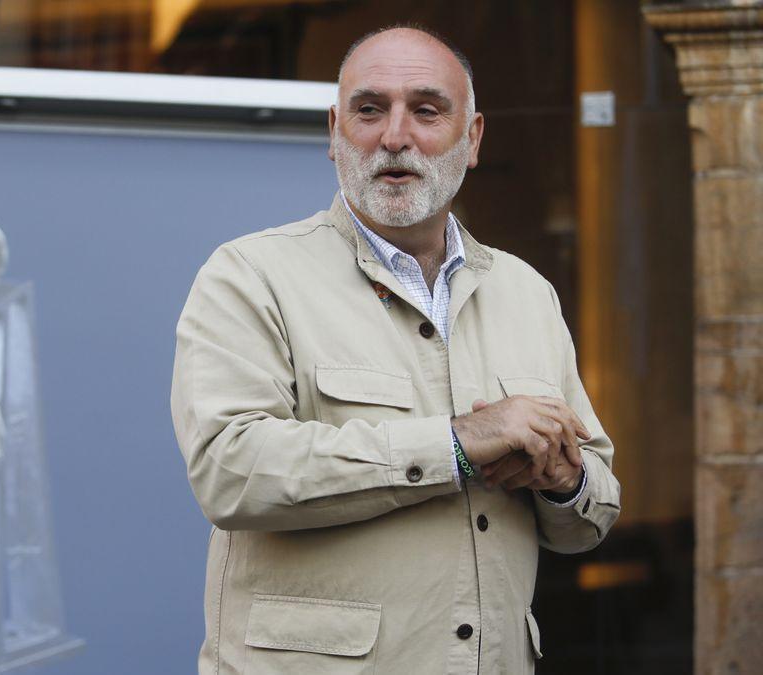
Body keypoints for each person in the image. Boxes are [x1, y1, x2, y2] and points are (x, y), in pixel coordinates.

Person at [170, 25, 621, 674]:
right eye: (370, 109)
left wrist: (563, 480)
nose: (394, 136)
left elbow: (592, 510)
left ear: (473, 139)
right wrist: (455, 443)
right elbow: (231, 472)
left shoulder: (526, 292)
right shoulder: (249, 274)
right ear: (334, 133)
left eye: (427, 110)